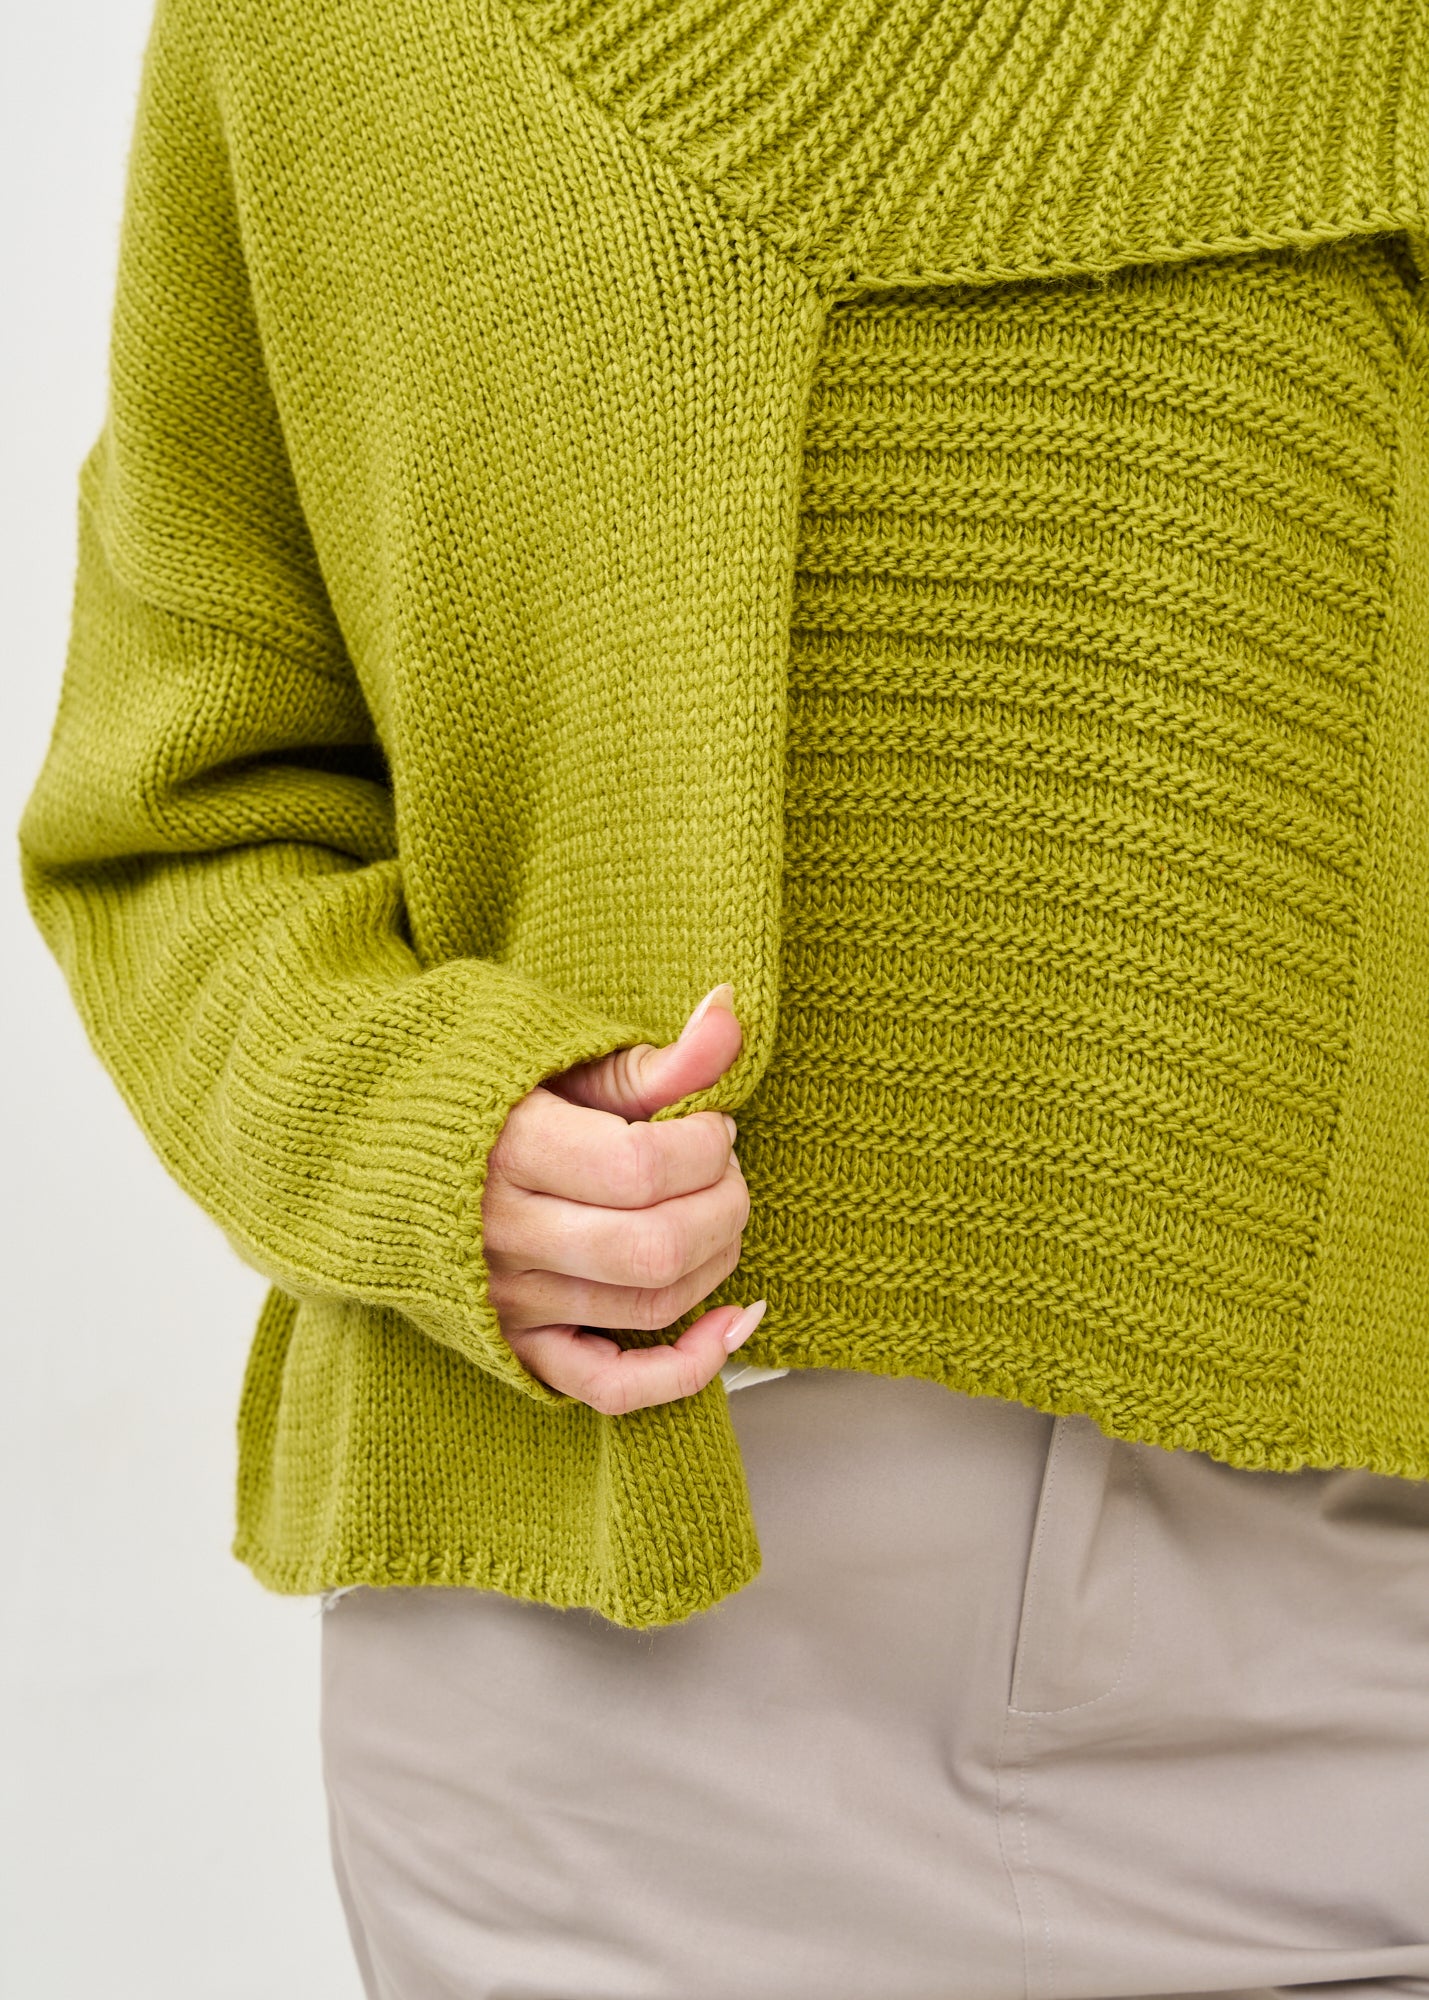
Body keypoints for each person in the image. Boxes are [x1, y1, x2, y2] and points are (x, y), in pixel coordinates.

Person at [18, 0, 1429, 1993]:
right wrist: (428, 1131)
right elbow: (177, 811)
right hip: (613, 1678)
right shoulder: (328, 40)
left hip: (1347, 1646)